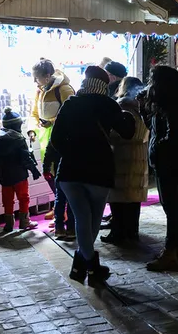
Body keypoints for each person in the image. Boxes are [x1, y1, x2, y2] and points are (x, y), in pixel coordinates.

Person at [51, 66, 135, 286]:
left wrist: (73, 153)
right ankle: (92, 267)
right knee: (92, 219)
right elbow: (127, 132)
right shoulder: (108, 104)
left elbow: (56, 139)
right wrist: (128, 114)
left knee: (81, 217)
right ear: (104, 85)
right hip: (99, 169)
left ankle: (83, 262)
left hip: (70, 171)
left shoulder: (70, 104)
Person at [143, 65, 178, 271]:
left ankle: (170, 250)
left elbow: (172, 135)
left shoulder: (171, 106)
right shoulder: (174, 102)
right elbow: (153, 128)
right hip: (172, 160)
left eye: (152, 80)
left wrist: (161, 148)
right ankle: (176, 248)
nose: (150, 84)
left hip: (169, 161)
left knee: (171, 207)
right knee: (172, 207)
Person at [30, 59, 75, 223]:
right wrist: (32, 129)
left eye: (37, 78)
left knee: (60, 174)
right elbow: (34, 113)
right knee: (49, 172)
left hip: (60, 138)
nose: (35, 81)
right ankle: (59, 207)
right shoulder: (40, 91)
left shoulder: (64, 89)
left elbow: (71, 113)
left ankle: (65, 211)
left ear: (47, 76)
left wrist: (52, 122)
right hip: (44, 137)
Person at [101, 96, 149, 245]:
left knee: (118, 199)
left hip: (123, 159)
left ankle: (118, 233)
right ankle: (132, 231)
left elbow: (121, 135)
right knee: (134, 200)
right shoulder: (141, 114)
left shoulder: (125, 115)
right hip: (139, 158)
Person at [0, 108, 41, 232]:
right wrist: (33, 169)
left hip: (4, 176)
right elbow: (25, 158)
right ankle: (24, 222)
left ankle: (8, 224)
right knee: (23, 198)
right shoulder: (18, 139)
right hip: (19, 176)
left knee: (7, 200)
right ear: (17, 125)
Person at [42, 143, 74, 240]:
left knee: (60, 198)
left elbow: (49, 151)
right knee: (72, 199)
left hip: (60, 168)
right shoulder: (76, 130)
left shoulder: (58, 130)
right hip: (74, 169)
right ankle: (71, 228)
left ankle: (59, 228)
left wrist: (46, 168)